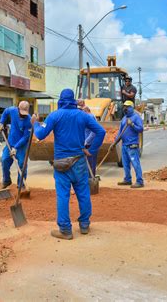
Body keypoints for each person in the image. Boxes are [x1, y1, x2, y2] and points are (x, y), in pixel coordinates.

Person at [32, 89, 105, 240]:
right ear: (73, 100)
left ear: (61, 100)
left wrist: (35, 124)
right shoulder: (83, 115)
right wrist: (91, 149)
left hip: (61, 163)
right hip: (79, 161)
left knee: (63, 195)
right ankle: (84, 225)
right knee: (83, 193)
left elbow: (40, 134)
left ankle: (65, 230)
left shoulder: (55, 115)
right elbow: (101, 131)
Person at [0, 101, 32, 189]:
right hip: (10, 142)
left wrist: (16, 148)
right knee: (4, 160)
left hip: (21, 146)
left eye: (24, 114)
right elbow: (5, 112)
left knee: (22, 164)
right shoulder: (12, 110)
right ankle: (6, 180)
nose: (22, 116)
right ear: (18, 109)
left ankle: (21, 185)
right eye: (21, 113)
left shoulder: (29, 120)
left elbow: (25, 137)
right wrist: (1, 122)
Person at [116, 100, 144, 188]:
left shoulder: (136, 117)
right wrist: (115, 141)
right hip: (124, 145)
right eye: (124, 107)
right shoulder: (124, 118)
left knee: (135, 163)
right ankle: (127, 179)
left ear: (132, 108)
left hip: (132, 144)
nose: (125, 108)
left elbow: (140, 129)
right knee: (125, 163)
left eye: (127, 107)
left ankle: (140, 181)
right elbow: (120, 132)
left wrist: (132, 124)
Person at [82, 106, 98, 176]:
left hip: (89, 144)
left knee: (90, 163)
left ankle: (91, 178)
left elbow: (93, 132)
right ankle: (91, 177)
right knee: (89, 163)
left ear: (86, 111)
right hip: (89, 143)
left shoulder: (89, 117)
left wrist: (86, 141)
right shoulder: (91, 116)